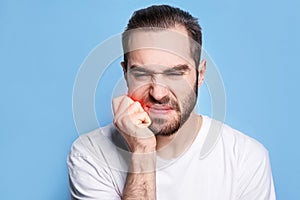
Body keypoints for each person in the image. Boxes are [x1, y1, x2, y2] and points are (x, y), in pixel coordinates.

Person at [68, 5, 276, 200]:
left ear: (200, 74)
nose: (158, 93)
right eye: (141, 74)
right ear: (125, 73)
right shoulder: (90, 154)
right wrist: (142, 152)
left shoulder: (246, 159)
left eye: (175, 74)